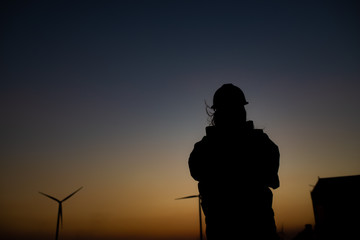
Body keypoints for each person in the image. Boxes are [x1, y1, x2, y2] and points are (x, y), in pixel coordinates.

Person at [188, 84, 280, 239]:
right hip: (256, 228)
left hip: (228, 229)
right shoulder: (262, 144)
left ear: (215, 114)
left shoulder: (203, 149)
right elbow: (270, 176)